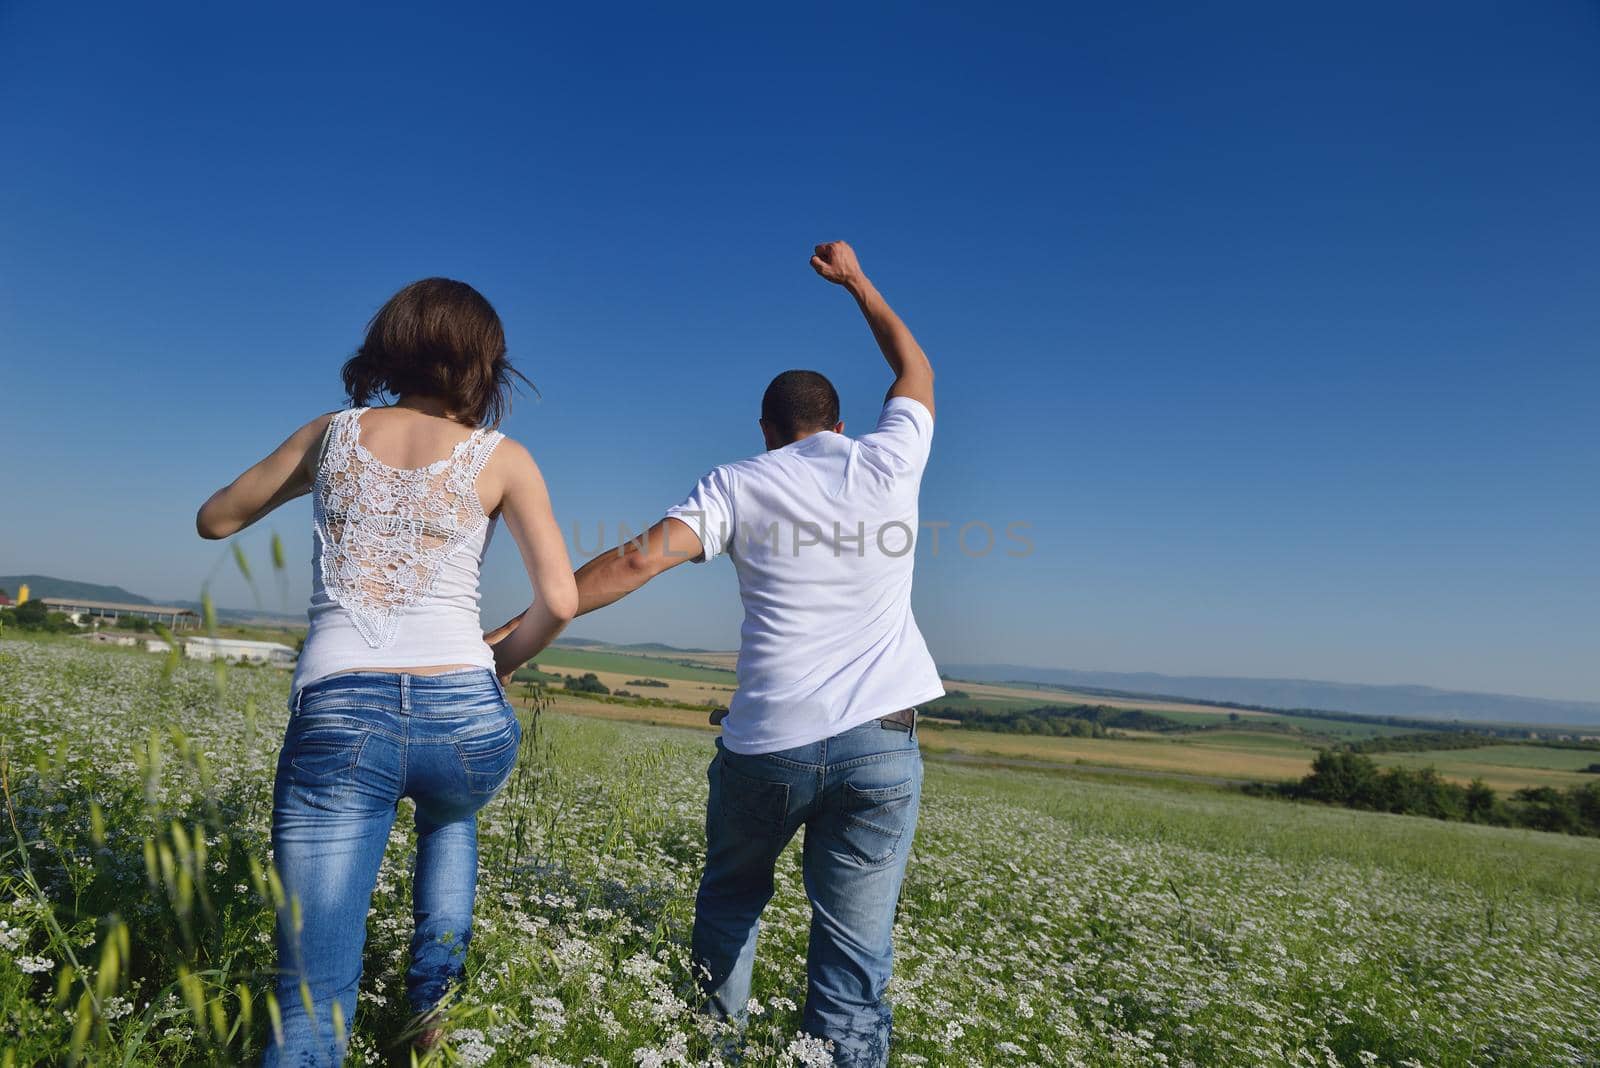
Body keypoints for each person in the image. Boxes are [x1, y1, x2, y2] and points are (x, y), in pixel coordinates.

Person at [490, 240, 941, 1067]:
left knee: (734, 901)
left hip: (768, 742)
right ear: (840, 426)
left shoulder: (738, 482)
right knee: (855, 951)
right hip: (884, 738)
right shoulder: (890, 459)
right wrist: (857, 283)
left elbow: (635, 561)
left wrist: (519, 632)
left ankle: (709, 1049)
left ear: (769, 432)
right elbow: (915, 367)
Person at [197, 278, 577, 1065]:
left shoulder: (330, 435)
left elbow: (215, 518)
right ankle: (425, 1015)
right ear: (485, 365)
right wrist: (494, 662)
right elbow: (562, 601)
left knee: (312, 990)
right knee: (452, 811)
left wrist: (321, 480)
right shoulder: (505, 459)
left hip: (340, 716)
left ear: (391, 346)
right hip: (468, 714)